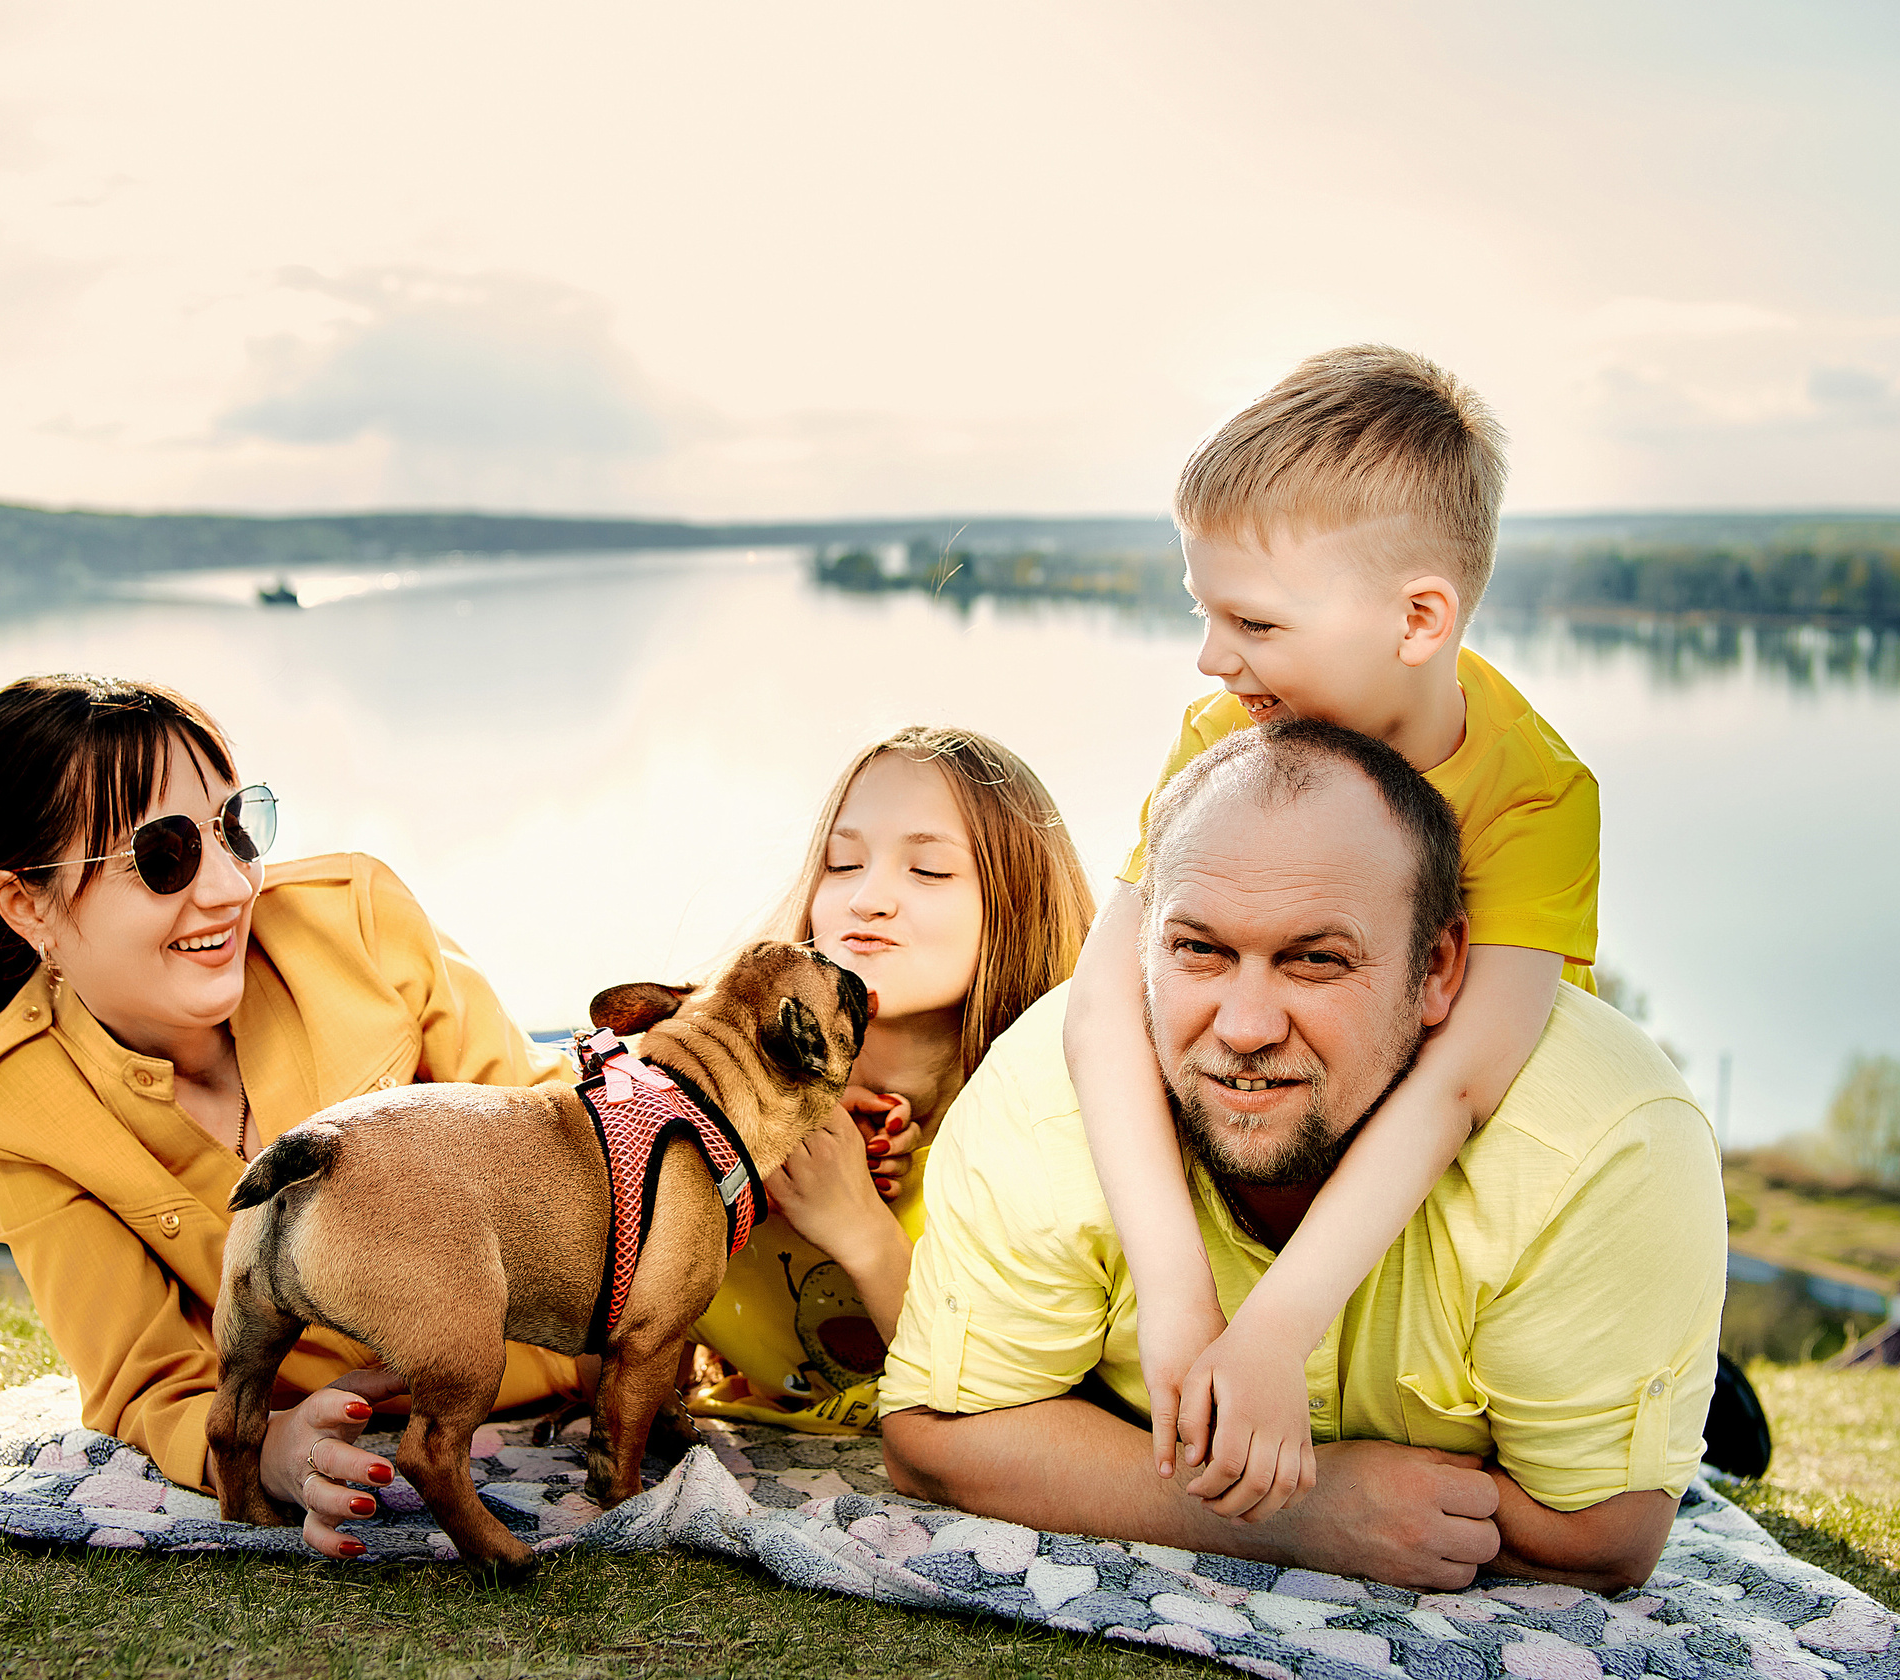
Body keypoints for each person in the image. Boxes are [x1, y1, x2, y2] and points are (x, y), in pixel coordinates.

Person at [881, 720, 1723, 1592]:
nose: (1245, 1028)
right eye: (1198, 949)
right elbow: (936, 1437)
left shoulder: (1600, 1144)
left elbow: (1603, 1536)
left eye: (1316, 960)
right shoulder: (1047, 1096)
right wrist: (1299, 1513)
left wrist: (1099, 1461)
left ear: (1438, 968)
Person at [1062, 344, 1603, 1521]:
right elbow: (1104, 998)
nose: (1214, 659)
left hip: (1440, 1210)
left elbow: (1461, 1086)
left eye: (1253, 621)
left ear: (1417, 619)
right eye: (1204, 614)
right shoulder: (1217, 735)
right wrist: (1178, 1298)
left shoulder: (1535, 799)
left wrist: (1272, 1336)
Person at [0, 675, 577, 1560]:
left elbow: (569, 1142)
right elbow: (144, 1380)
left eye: (234, 827)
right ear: (28, 903)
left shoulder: (360, 928)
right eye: (164, 856)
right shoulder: (13, 1113)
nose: (229, 886)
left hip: (565, 1367)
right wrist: (268, 1451)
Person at [687, 726, 1094, 1432]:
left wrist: (863, 1232)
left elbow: (1006, 1404)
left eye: (928, 871)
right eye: (842, 864)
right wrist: (737, 1156)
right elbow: (599, 1347)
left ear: (1017, 905)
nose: (866, 899)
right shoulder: (714, 1087)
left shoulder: (1050, 1142)